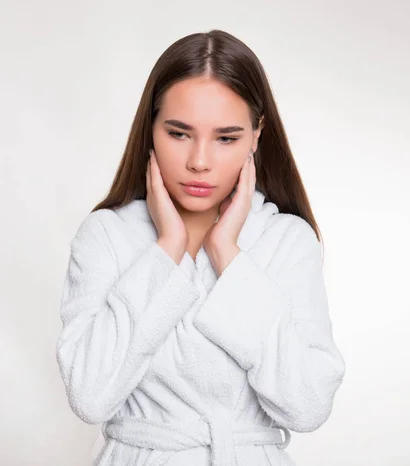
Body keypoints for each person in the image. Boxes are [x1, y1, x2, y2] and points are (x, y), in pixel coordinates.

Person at [55, 30, 346, 466]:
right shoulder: (106, 236)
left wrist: (226, 253)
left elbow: (307, 406)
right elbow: (90, 397)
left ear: (256, 135)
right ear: (150, 129)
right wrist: (167, 248)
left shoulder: (286, 240)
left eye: (226, 138)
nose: (199, 161)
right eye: (178, 133)